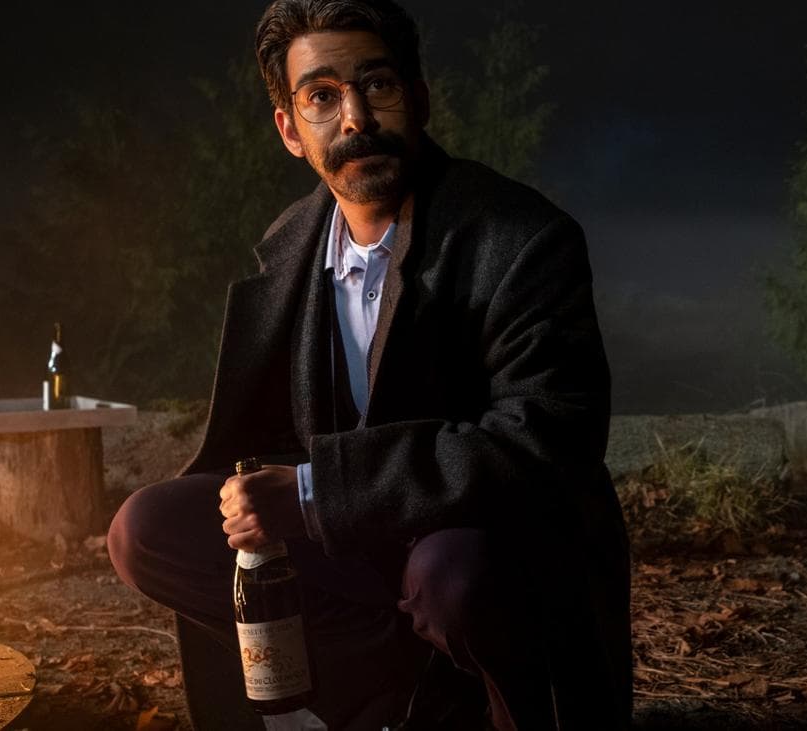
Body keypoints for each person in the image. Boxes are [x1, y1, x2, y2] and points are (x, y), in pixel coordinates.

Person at [106, 1, 631, 728]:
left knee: (451, 576)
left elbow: (546, 442)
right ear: (291, 128)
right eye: (321, 96)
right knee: (146, 529)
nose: (355, 117)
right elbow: (259, 437)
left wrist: (317, 492)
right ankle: (396, 690)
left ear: (417, 97)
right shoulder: (289, 243)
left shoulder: (524, 238)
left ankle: (484, 702)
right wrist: (252, 497)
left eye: (376, 85)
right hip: (357, 564)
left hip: (481, 547)